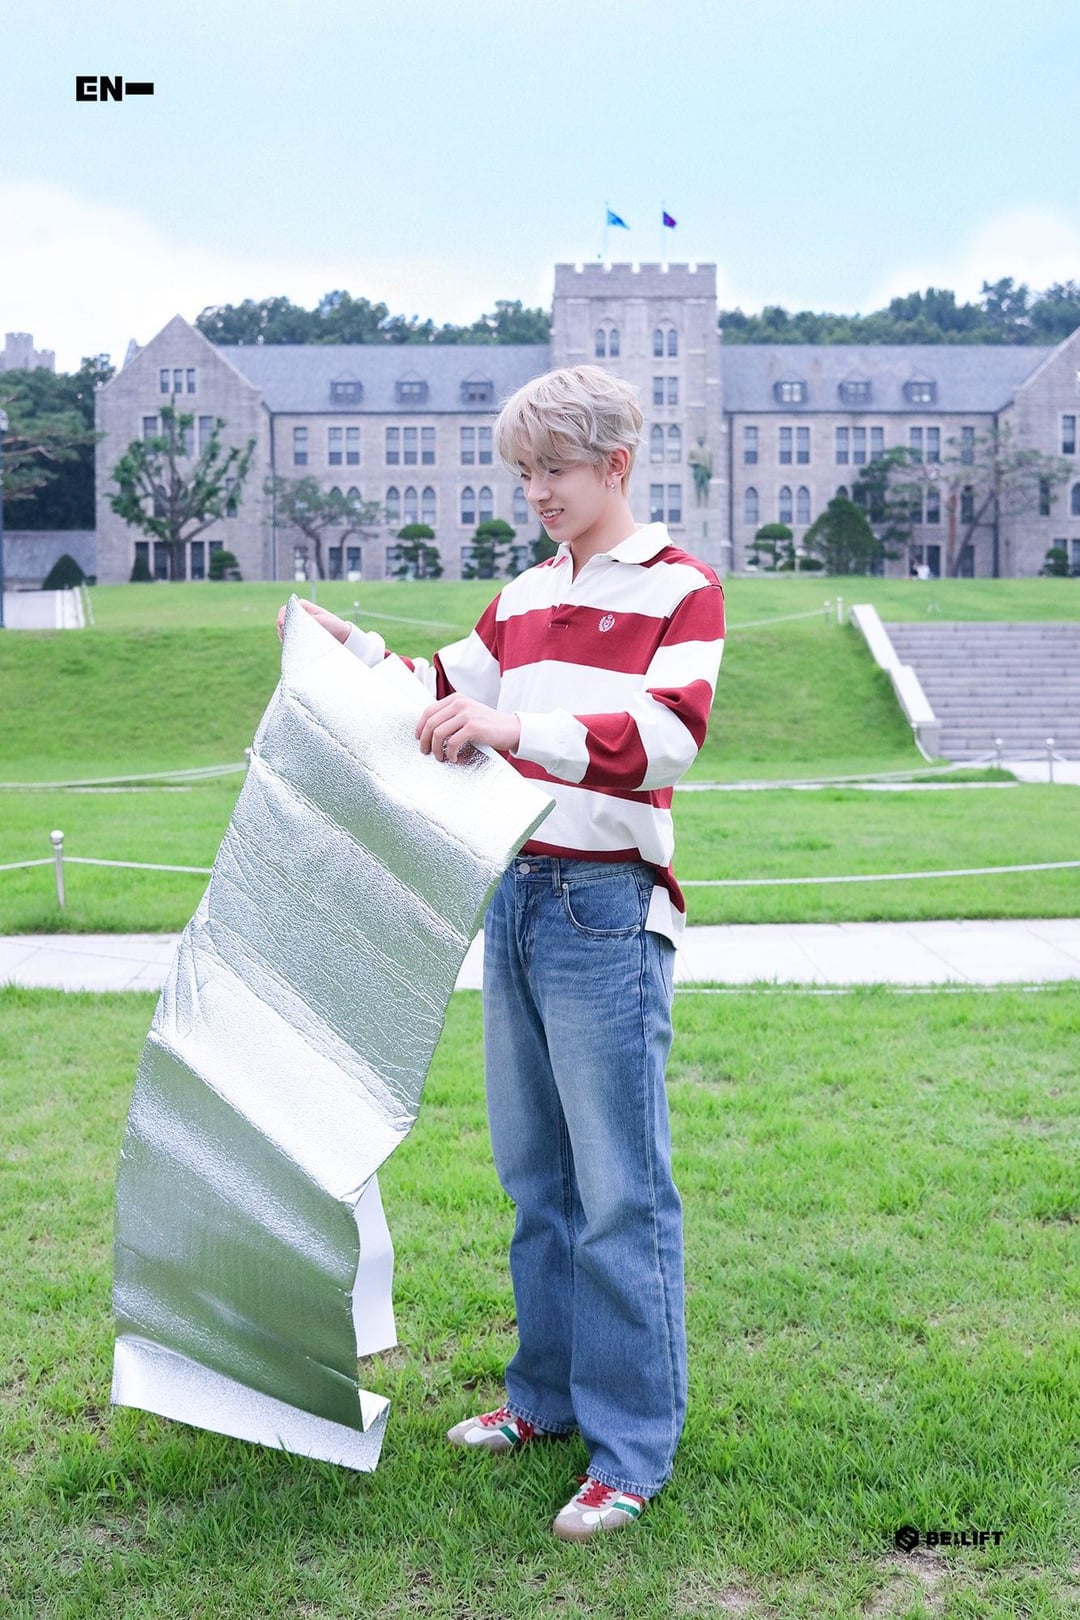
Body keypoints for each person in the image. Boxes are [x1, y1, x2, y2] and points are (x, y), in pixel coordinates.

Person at [279, 365, 725, 1540]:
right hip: (515, 894)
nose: (536, 492)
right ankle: (544, 1400)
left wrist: (514, 728)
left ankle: (630, 1451)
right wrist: (351, 650)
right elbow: (436, 693)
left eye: (555, 470)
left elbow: (668, 737)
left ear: (617, 464)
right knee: (538, 1184)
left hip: (607, 910)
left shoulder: (682, 587)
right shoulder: (524, 594)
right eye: (525, 473)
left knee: (620, 1195)